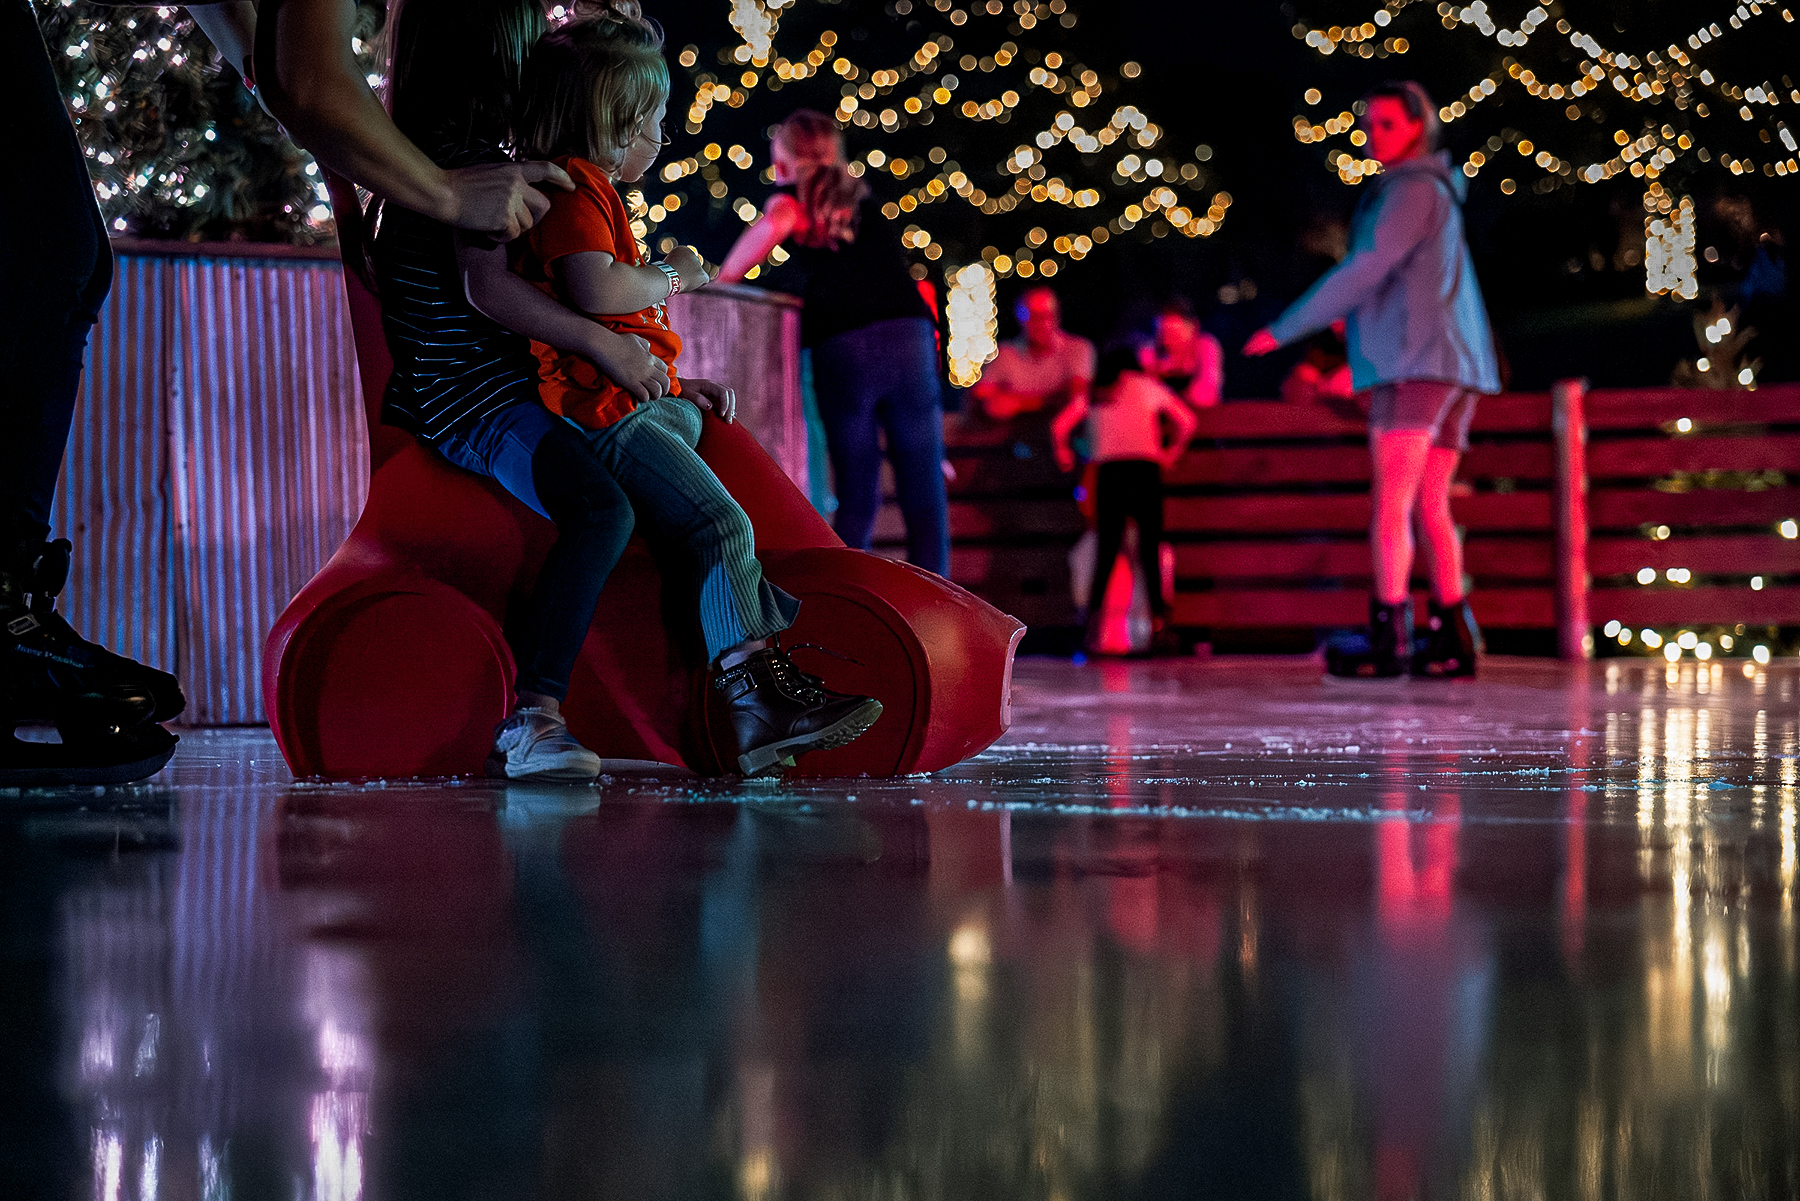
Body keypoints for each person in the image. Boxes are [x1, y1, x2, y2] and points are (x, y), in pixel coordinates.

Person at [493, 15, 881, 776]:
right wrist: (679, 273)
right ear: (610, 124)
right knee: (720, 525)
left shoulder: (591, 189)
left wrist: (679, 383)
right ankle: (758, 701)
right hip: (603, 413)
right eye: (652, 123)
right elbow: (596, 291)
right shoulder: (576, 190)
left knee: (720, 515)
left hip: (626, 400)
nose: (663, 138)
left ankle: (763, 678)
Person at [374, 0, 680, 782]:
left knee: (653, 453)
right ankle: (534, 715)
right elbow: (490, 292)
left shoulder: (445, 151)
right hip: (475, 400)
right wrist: (604, 343)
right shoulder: (461, 160)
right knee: (600, 507)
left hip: (508, 380)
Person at [1245, 80, 1499, 679]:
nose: (1371, 135)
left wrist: (1285, 329)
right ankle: (1454, 632)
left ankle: (1390, 634)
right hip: (1455, 365)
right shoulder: (1436, 192)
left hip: (1419, 363)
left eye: (1386, 124)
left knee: (1393, 501)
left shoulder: (1411, 190)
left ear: (1418, 127)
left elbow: (1366, 269)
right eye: (1368, 123)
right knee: (1431, 503)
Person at [716, 111, 949, 576]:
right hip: (908, 335)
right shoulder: (861, 193)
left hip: (844, 345)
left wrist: (719, 280)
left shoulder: (790, 200)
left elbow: (740, 263)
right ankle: (943, 603)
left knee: (858, 484)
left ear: (782, 156)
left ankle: (848, 600)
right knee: (922, 482)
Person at [1052, 344, 1197, 657]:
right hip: (1145, 471)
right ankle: (1160, 627)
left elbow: (1060, 426)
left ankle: (1090, 630)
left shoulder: (1095, 392)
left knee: (1106, 552)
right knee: (1149, 549)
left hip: (1110, 474)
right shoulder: (1148, 387)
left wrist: (1066, 454)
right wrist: (1170, 453)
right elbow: (1187, 421)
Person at [972, 287, 1095, 423]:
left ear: (1056, 316)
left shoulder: (1078, 349)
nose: (1039, 324)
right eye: (1032, 317)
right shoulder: (1005, 353)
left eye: (1045, 316)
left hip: (1067, 434)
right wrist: (1049, 399)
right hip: (1014, 435)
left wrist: (1016, 402)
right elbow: (983, 399)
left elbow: (1076, 397)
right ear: (1020, 319)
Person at [1146, 298, 1223, 410]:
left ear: (1193, 327)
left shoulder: (1206, 345)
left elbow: (1207, 395)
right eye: (1163, 333)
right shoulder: (1153, 351)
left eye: (1173, 334)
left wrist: (1164, 393)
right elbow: (1144, 398)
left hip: (1206, 418)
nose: (1166, 341)